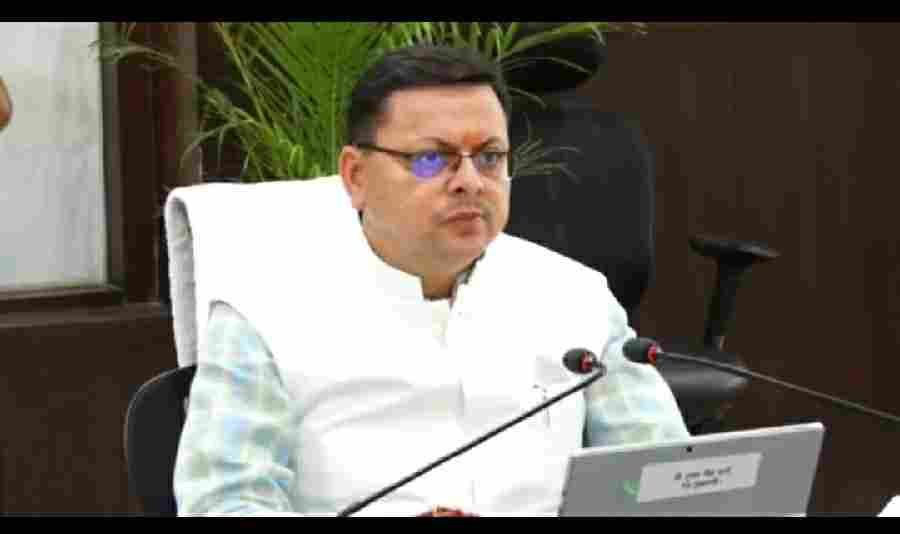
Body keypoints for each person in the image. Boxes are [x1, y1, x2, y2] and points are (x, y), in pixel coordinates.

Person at [172, 44, 690, 517]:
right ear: (356, 176)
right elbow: (224, 501)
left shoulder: (576, 297)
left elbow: (664, 482)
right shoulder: (265, 312)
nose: (469, 181)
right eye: (430, 159)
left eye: (490, 157)